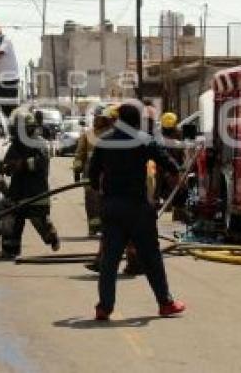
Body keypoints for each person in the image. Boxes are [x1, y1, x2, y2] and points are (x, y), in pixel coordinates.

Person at [89, 102, 186, 320]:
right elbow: (168, 161)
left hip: (112, 208)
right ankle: (165, 303)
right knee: (151, 257)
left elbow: (93, 175)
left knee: (110, 260)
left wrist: (103, 191)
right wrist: (176, 174)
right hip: (138, 209)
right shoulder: (143, 139)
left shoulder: (104, 141)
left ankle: (104, 307)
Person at [0, 112, 60, 259]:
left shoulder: (40, 143)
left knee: (39, 220)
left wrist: (22, 164)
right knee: (11, 221)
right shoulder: (15, 146)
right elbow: (7, 164)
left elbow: (41, 162)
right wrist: (6, 168)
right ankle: (10, 250)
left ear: (30, 128)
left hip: (36, 190)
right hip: (17, 190)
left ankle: (52, 237)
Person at [73, 107, 114, 236]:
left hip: (108, 173)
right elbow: (80, 154)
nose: (97, 119)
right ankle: (94, 227)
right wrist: (77, 170)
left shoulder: (112, 133)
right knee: (91, 201)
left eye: (100, 117)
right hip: (89, 174)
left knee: (107, 201)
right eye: (96, 117)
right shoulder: (88, 134)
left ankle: (107, 227)